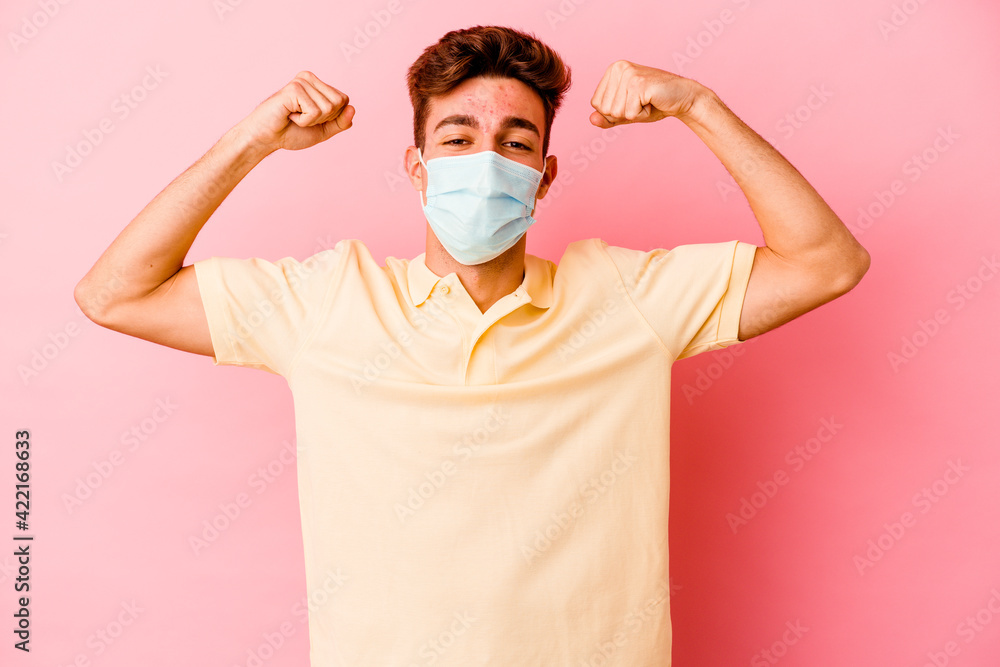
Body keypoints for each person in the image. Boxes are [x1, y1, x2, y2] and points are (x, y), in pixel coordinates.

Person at [75, 24, 869, 667]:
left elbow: (827, 262)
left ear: (546, 175)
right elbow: (114, 293)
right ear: (416, 168)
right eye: (458, 138)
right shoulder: (327, 301)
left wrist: (699, 105)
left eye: (515, 142)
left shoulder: (627, 298)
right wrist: (253, 140)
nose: (486, 160)